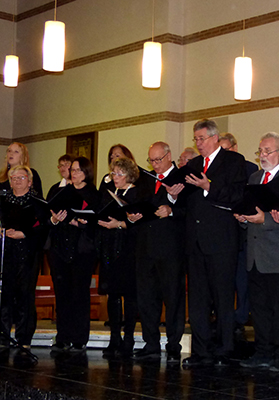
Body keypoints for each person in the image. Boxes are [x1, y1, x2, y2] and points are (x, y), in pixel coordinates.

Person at [172, 119, 247, 367]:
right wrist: (174, 196)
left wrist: (208, 186)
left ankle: (225, 349)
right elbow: (185, 203)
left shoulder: (234, 162)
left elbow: (236, 196)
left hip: (221, 240)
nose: (199, 143)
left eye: (202, 138)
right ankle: (201, 350)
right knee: (198, 299)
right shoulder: (192, 165)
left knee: (223, 297)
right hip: (194, 243)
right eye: (196, 139)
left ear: (215, 138)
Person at [235, 132, 279, 371]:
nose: (263, 155)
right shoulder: (254, 177)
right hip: (255, 254)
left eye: (268, 151)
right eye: (260, 151)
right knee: (259, 308)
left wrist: (265, 221)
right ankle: (263, 351)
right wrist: (243, 218)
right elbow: (252, 212)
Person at [127, 142, 187, 363]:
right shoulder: (145, 179)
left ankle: (173, 344)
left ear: (169, 156)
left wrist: (171, 209)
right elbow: (138, 205)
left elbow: (189, 210)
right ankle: (150, 344)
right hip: (145, 247)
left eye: (158, 160)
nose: (155, 164)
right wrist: (132, 216)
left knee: (173, 298)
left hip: (171, 248)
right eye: (151, 160)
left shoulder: (183, 178)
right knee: (147, 298)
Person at [48, 157, 100, 353]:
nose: (74, 173)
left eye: (78, 170)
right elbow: (47, 215)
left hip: (82, 249)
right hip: (60, 246)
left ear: (87, 172)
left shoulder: (93, 194)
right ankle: (63, 336)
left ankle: (79, 337)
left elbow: (96, 221)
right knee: (62, 293)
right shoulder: (59, 190)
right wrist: (54, 219)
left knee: (79, 292)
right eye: (72, 170)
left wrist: (79, 222)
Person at [0, 166, 47, 352]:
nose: (16, 181)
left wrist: (24, 233)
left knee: (25, 295)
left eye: (21, 177)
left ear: (30, 181)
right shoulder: (2, 201)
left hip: (28, 252)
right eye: (13, 178)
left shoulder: (37, 202)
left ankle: (24, 338)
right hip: (7, 252)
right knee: (5, 295)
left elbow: (43, 228)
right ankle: (3, 336)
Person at [96, 158, 141, 357]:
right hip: (109, 247)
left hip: (128, 249)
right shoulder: (108, 194)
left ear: (129, 175)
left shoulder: (136, 193)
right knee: (112, 294)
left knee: (129, 295)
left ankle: (129, 339)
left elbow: (140, 222)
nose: (115, 177)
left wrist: (121, 224)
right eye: (113, 173)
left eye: (120, 174)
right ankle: (115, 338)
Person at [219, 132, 259, 338]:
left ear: (234, 148)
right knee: (227, 278)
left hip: (244, 231)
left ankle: (242, 316)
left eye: (226, 149)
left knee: (243, 279)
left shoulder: (250, 169)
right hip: (224, 230)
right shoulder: (216, 170)